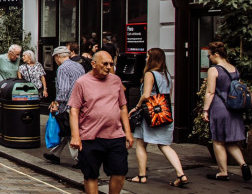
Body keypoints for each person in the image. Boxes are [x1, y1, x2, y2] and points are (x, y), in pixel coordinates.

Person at [68, 50, 133, 194]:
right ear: (93, 64)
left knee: (120, 172)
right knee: (91, 174)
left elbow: (123, 107)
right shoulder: (82, 82)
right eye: (105, 63)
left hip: (115, 135)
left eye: (111, 64)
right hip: (90, 137)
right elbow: (74, 110)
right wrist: (75, 136)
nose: (109, 67)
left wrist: (128, 133)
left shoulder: (116, 80)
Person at [129, 48, 187, 187]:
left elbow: (146, 95)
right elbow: (167, 96)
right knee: (165, 145)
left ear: (152, 58)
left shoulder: (150, 74)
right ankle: (181, 174)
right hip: (164, 115)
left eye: (147, 56)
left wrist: (136, 107)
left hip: (150, 115)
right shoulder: (166, 75)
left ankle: (142, 176)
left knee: (141, 143)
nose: (145, 59)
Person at [203, 41, 251, 182]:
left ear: (216, 54)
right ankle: (244, 165)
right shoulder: (234, 69)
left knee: (218, 141)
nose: (209, 58)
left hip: (219, 107)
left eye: (209, 55)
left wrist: (205, 110)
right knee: (231, 141)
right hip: (233, 107)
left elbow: (210, 92)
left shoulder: (214, 70)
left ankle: (223, 172)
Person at [45, 46, 85, 165]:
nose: (55, 61)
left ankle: (79, 159)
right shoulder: (79, 66)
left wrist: (56, 102)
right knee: (66, 130)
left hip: (68, 105)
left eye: (55, 58)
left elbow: (63, 89)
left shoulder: (62, 68)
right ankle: (55, 154)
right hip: (80, 103)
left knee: (68, 131)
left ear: (57, 56)